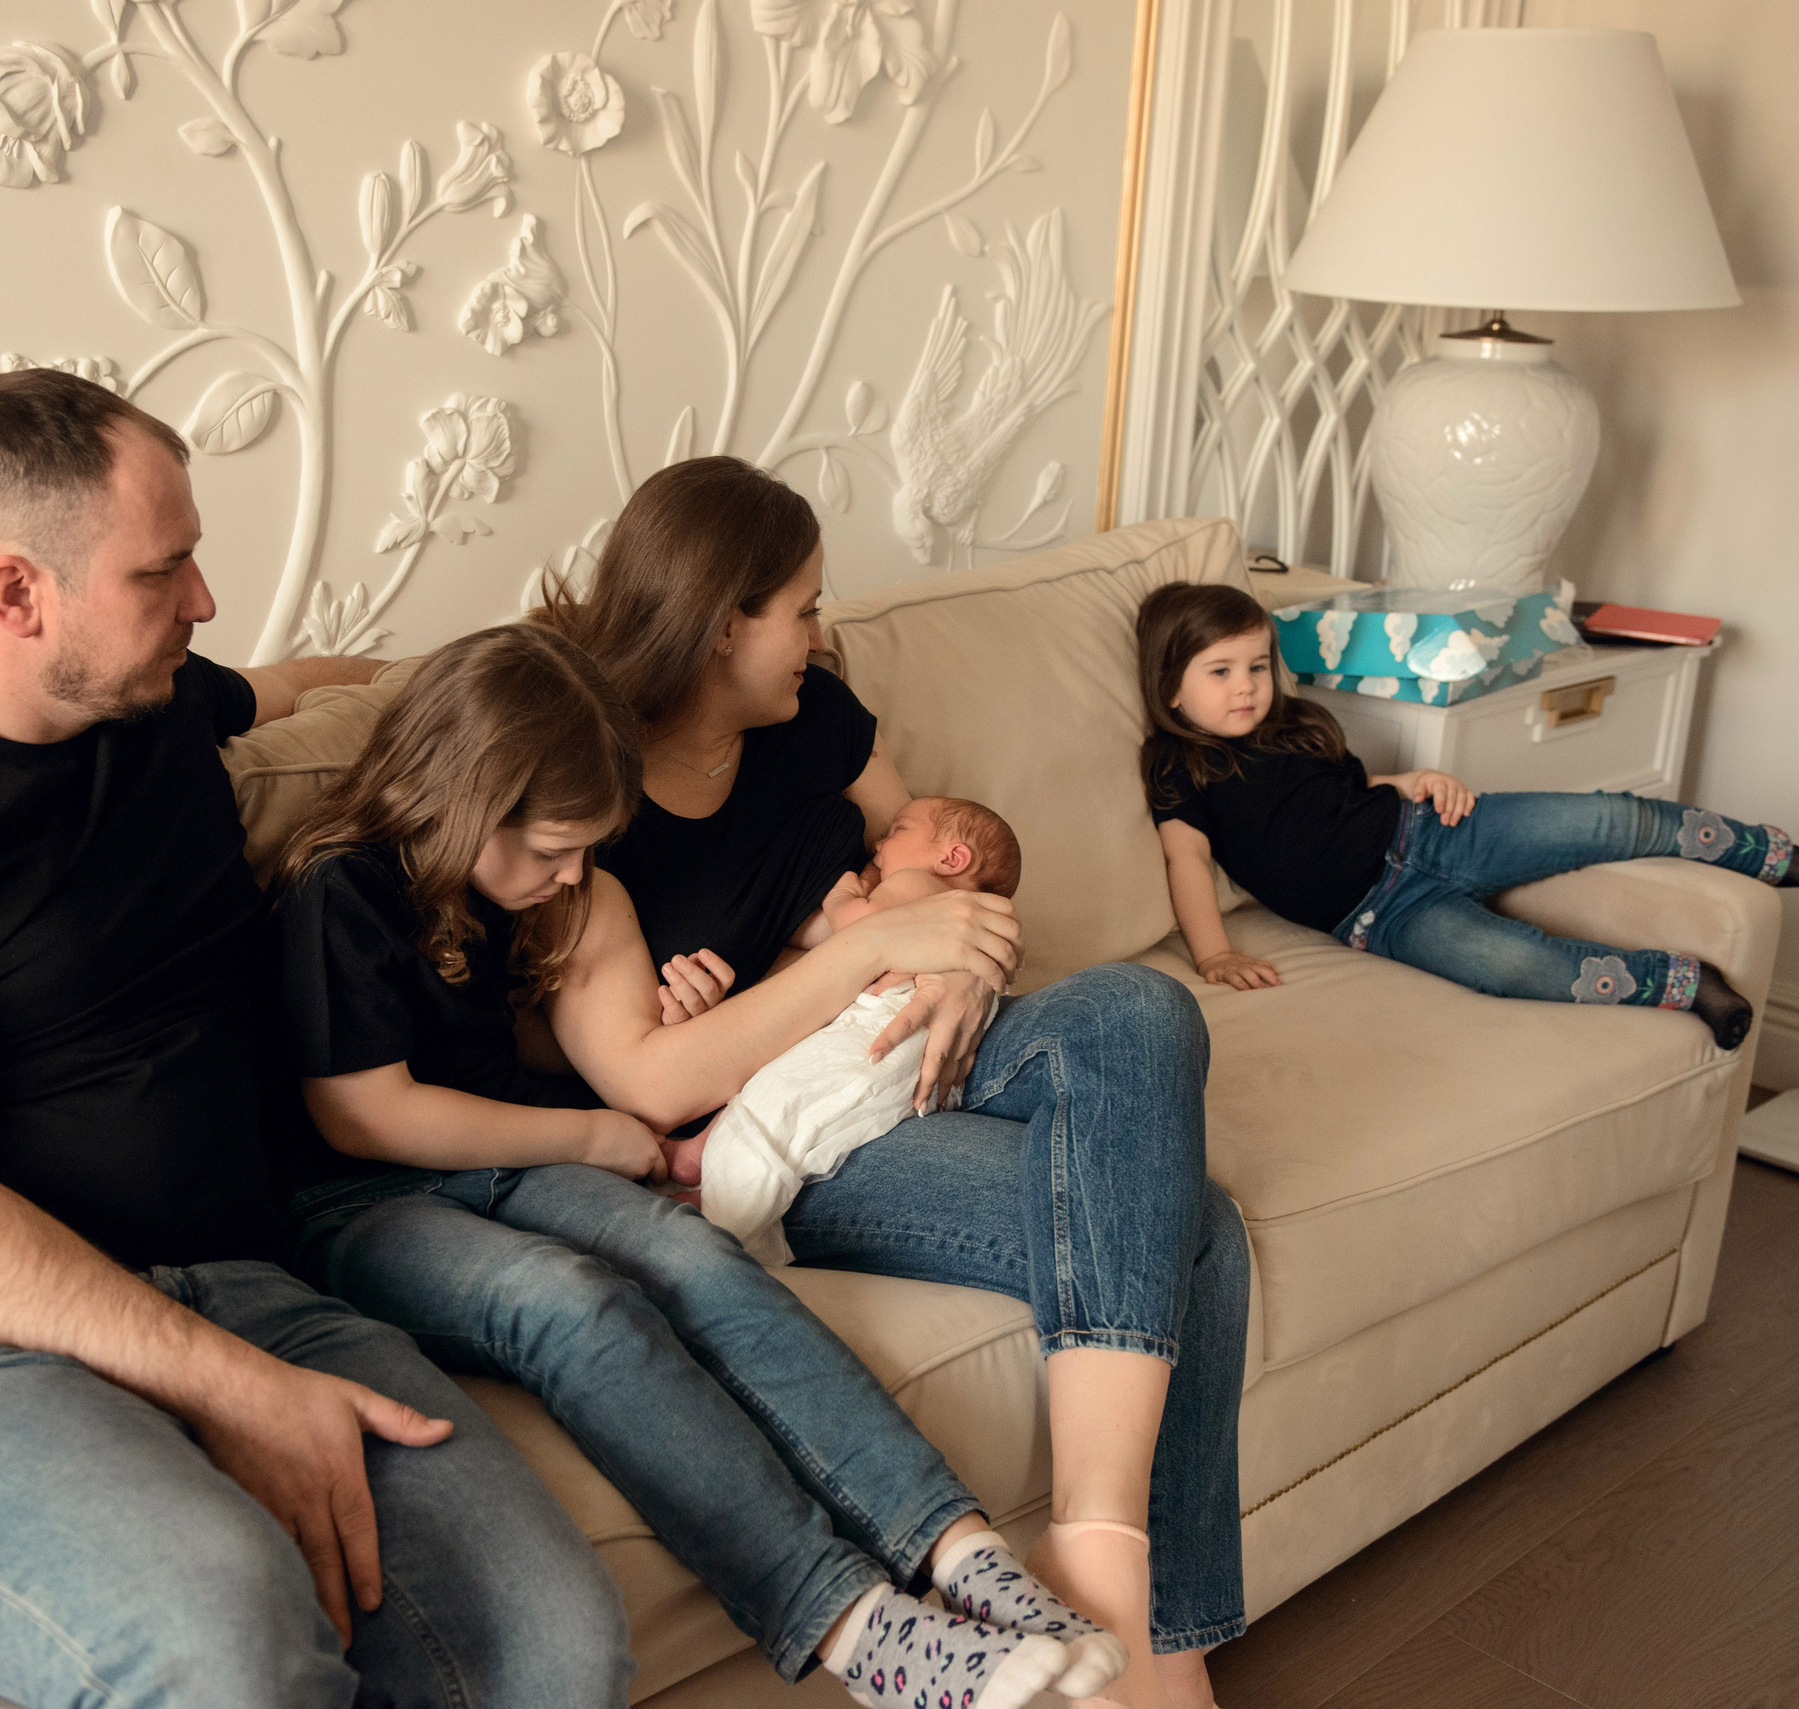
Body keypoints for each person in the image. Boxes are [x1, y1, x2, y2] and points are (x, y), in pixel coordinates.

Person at [0, 369, 631, 1709]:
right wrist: (235, 1389)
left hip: (235, 1285)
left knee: (556, 1646)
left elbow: (299, 686)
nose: (202, 598)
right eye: (164, 569)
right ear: (17, 594)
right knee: (223, 1637)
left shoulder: (152, 701)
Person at [273, 625, 1124, 1709]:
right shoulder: (340, 889)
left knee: (693, 1255)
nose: (573, 873)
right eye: (555, 849)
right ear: (467, 799)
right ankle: (858, 1627)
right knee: (569, 1302)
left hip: (512, 1161)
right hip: (364, 1201)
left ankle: (963, 1555)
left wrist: (676, 1017)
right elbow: (365, 1113)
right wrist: (587, 1136)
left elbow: (565, 1048)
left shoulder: (525, 890)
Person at [534, 457, 1249, 1709]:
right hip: (801, 1127)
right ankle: (1162, 1657)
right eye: (801, 608)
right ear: (720, 623)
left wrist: (967, 958)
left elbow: (946, 852)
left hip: (917, 1039)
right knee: (1197, 1225)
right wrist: (870, 952)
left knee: (1139, 1005)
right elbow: (645, 1079)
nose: (821, 633)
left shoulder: (810, 716)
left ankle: (1096, 1552)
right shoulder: (586, 786)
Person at [1135, 581, 1799, 1049]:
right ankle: (1685, 983)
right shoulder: (1180, 764)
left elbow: (1348, 790)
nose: (1247, 686)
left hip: (1433, 830)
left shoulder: (1295, 724)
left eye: (1257, 666)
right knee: (1515, 965)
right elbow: (1186, 858)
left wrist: (1413, 779)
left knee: (1607, 821)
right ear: (1171, 688)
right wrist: (1214, 953)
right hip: (1379, 914)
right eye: (1221, 672)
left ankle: (1776, 857)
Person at [669, 795, 1023, 1265]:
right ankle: (707, 1162)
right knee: (807, 1107)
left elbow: (861, 927)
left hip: (882, 1022)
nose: (878, 843)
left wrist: (840, 895)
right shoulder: (967, 911)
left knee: (788, 1099)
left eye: (898, 831)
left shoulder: (919, 884)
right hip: (925, 1046)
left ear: (952, 858)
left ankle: (720, 1212)